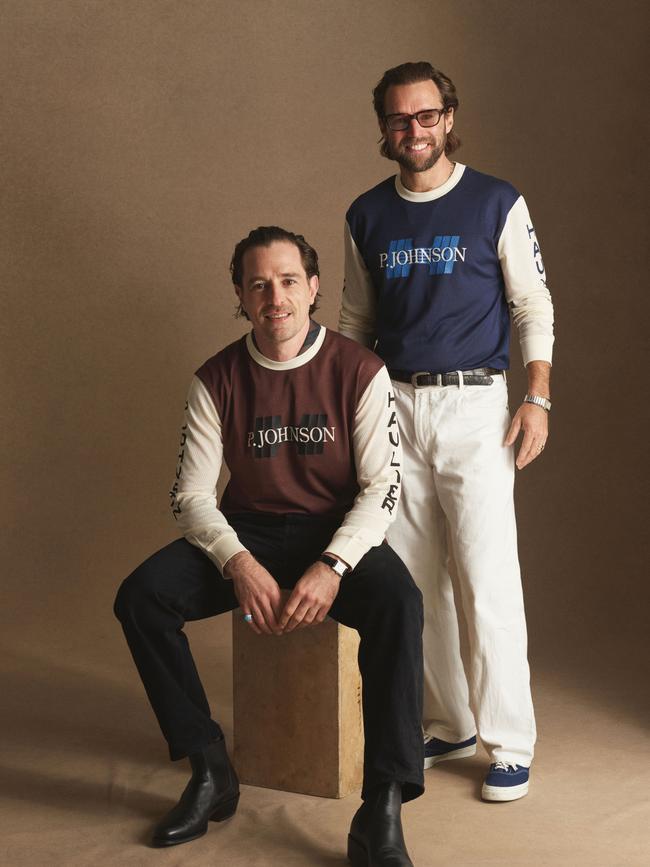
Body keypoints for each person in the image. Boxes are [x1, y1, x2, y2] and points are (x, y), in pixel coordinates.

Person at [114, 226, 424, 865]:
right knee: (142, 598)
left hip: (333, 529)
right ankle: (209, 769)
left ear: (312, 289)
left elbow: (382, 488)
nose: (274, 297)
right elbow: (193, 495)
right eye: (258, 284)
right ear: (240, 295)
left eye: (287, 281)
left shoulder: (359, 370)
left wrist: (334, 564)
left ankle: (382, 806)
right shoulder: (216, 378)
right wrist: (238, 562)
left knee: (400, 602)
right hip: (248, 531)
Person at [338, 61, 554, 803]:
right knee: (411, 576)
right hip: (394, 406)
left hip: (476, 408)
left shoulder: (496, 201)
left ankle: (510, 741)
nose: (414, 131)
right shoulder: (366, 215)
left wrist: (538, 398)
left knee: (488, 578)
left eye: (426, 116)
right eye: (400, 120)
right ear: (384, 130)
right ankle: (448, 719)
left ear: (449, 118)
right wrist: (350, 418)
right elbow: (355, 324)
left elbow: (531, 304)